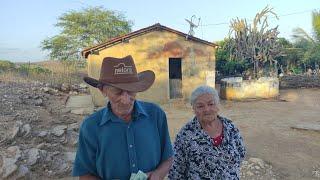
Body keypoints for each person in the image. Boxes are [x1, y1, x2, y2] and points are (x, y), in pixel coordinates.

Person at [72, 55, 173, 180]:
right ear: (103, 90)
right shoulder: (90, 127)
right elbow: (85, 174)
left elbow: (168, 158)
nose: (126, 100)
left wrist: (157, 175)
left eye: (131, 91)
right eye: (117, 92)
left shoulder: (156, 115)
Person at [168, 85, 246, 179]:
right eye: (200, 106)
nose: (207, 109)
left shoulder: (230, 128)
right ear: (194, 109)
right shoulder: (185, 135)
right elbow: (176, 171)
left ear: (217, 105)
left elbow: (241, 154)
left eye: (211, 104)